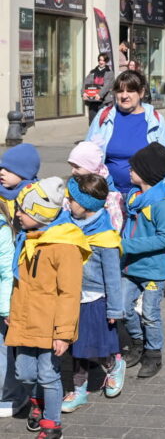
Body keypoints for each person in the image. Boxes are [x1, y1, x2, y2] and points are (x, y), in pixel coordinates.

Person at [6, 178, 91, 439]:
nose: (17, 214)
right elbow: (19, 284)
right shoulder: (28, 239)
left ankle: (52, 425)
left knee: (48, 375)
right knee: (24, 373)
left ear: (40, 214)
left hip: (51, 326)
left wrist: (63, 333)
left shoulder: (64, 246)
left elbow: (69, 294)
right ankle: (37, 402)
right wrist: (13, 313)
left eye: (23, 210)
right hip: (25, 321)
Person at [60, 175, 125, 412]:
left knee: (98, 346)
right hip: (71, 296)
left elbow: (113, 277)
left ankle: (114, 365)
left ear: (85, 204)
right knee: (77, 348)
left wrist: (114, 309)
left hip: (95, 299)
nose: (67, 203)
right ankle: (79, 390)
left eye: (71, 199)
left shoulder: (105, 237)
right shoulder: (67, 225)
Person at [120, 143, 165, 378]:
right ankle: (138, 342)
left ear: (147, 172)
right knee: (123, 308)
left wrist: (125, 245)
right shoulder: (135, 197)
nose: (129, 170)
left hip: (153, 270)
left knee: (150, 314)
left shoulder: (162, 204)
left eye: (134, 168)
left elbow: (164, 238)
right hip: (130, 267)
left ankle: (153, 354)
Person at [86, 70, 165, 198]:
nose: (124, 96)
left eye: (130, 91)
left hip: (144, 196)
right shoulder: (104, 116)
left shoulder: (155, 119)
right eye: (120, 91)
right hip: (107, 194)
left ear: (141, 92)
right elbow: (87, 154)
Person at [0, 200, 25, 419]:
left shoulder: (2, 231)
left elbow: (7, 273)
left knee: (2, 354)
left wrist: (6, 308)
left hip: (1, 305)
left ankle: (10, 395)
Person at [67, 141, 124, 232]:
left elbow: (115, 225)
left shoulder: (111, 196)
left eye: (77, 167)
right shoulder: (75, 184)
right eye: (71, 166)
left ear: (92, 166)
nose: (73, 171)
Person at [0, 143, 41, 216]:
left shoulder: (37, 196)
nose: (1, 172)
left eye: (8, 170)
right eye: (1, 168)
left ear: (25, 174)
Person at [82, 53, 115, 125]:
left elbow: (107, 86)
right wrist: (84, 93)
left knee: (102, 121)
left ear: (106, 61)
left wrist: (99, 94)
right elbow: (86, 83)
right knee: (92, 121)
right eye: (100, 60)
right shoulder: (93, 72)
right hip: (92, 100)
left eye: (103, 60)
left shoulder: (110, 73)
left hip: (104, 101)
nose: (101, 62)